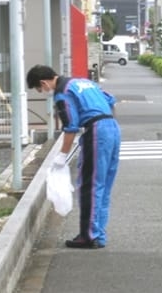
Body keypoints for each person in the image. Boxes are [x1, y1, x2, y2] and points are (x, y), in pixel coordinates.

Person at [26, 65, 121, 249]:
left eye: (40, 88)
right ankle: (98, 233)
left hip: (96, 132)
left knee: (90, 185)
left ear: (43, 82)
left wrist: (62, 156)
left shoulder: (62, 93)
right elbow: (111, 100)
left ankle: (89, 236)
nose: (42, 91)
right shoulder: (83, 82)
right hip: (113, 128)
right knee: (103, 184)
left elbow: (70, 126)